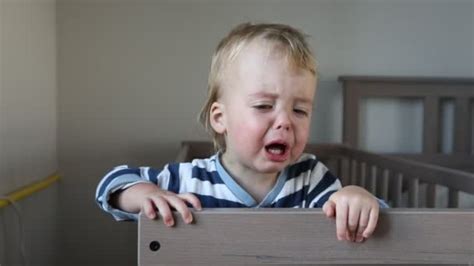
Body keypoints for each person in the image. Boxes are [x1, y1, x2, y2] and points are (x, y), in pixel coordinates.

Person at [95, 22, 388, 243]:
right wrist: (146, 194)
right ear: (220, 119)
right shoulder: (189, 180)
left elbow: (364, 215)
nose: (285, 121)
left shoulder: (310, 179)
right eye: (263, 106)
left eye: (300, 110)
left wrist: (356, 195)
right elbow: (111, 184)